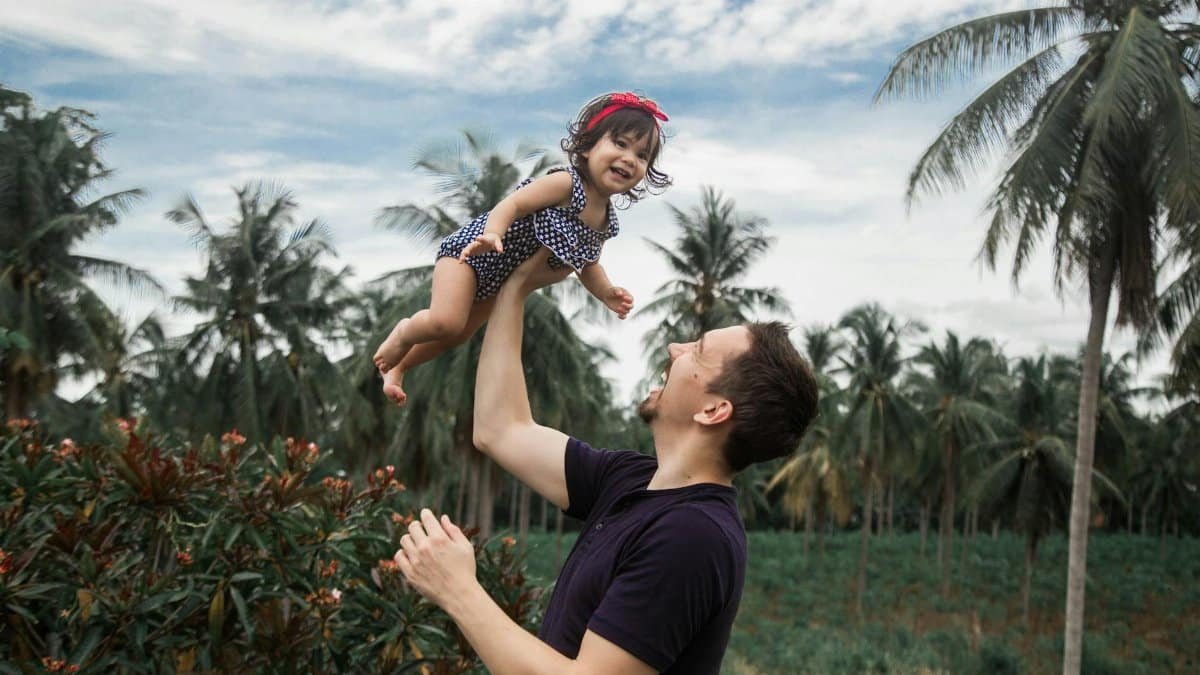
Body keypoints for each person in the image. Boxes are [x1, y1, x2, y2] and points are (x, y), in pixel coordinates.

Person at [393, 250, 820, 674]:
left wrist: (458, 590)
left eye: (698, 350)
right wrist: (515, 287)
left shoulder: (692, 537)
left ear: (713, 411)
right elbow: (500, 428)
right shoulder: (631, 480)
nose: (674, 348)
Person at [372, 91, 671, 406]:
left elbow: (588, 264)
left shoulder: (606, 221)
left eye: (641, 155)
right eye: (620, 144)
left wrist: (606, 292)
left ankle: (398, 367)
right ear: (587, 145)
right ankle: (405, 332)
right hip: (472, 254)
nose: (629, 159)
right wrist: (493, 234)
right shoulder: (567, 184)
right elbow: (512, 204)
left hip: (498, 281)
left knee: (456, 336)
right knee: (446, 321)